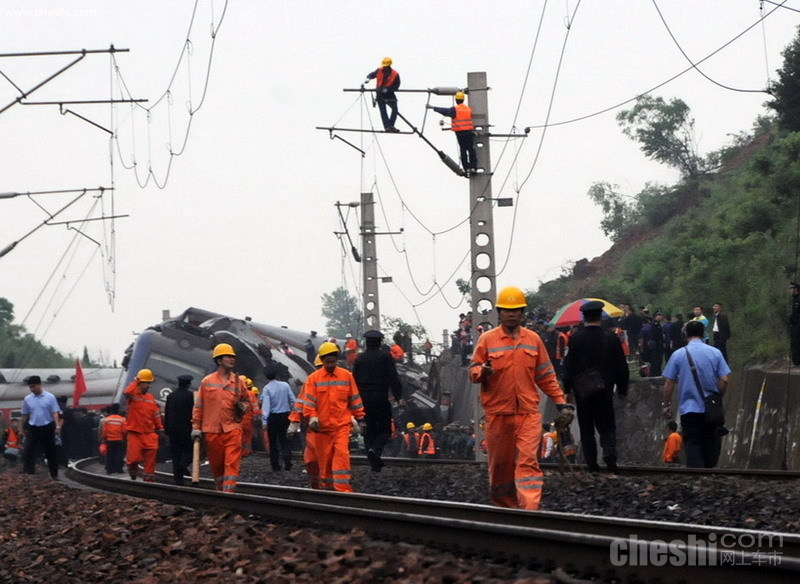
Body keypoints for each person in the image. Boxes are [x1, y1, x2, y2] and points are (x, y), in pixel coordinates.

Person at [469, 286, 574, 510]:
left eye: (516, 309)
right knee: (500, 466)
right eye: (507, 310)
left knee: (528, 462)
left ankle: (529, 510)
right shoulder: (487, 340)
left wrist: (560, 402)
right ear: (499, 312)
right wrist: (481, 371)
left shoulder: (533, 340)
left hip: (527, 413)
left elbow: (546, 375)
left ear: (522, 312)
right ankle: (506, 510)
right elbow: (473, 370)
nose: (511, 314)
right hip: (498, 414)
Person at [562, 301, 629, 473]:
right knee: (607, 425)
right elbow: (622, 365)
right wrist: (622, 389)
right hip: (605, 390)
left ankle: (592, 464)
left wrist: (566, 389)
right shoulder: (611, 338)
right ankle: (609, 452)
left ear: (584, 317)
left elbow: (568, 366)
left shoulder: (575, 339)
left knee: (586, 428)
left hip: (582, 392)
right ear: (601, 316)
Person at [292, 341, 366, 492]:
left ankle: (343, 490)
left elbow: (354, 399)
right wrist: (312, 417)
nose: (330, 365)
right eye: (327, 362)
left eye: (332, 362)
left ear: (337, 359)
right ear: (322, 360)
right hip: (321, 429)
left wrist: (360, 418)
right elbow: (309, 402)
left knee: (341, 456)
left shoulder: (346, 376)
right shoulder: (314, 379)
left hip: (341, 426)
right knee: (324, 462)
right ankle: (326, 489)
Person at [662, 320, 731, 468]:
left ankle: (696, 474)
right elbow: (724, 380)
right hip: (711, 410)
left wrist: (666, 405)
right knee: (710, 440)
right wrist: (717, 397)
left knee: (692, 442)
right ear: (703, 334)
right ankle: (708, 472)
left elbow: (669, 383)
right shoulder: (715, 352)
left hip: (689, 409)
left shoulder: (678, 354)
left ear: (685, 334)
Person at [192, 343, 251, 493]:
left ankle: (228, 493)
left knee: (232, 463)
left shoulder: (239, 382)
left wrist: (244, 406)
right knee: (217, 465)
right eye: (228, 356)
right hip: (212, 430)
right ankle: (220, 491)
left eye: (233, 357)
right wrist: (196, 428)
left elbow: (247, 401)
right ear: (219, 360)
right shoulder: (207, 381)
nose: (232, 359)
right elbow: (199, 406)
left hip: (232, 428)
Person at [352, 329, 403, 472]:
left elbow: (353, 380)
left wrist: (353, 401)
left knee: (369, 429)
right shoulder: (385, 357)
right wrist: (398, 396)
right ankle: (376, 450)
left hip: (363, 400)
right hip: (380, 398)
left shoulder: (359, 359)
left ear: (366, 342)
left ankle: (372, 459)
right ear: (380, 342)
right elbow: (393, 378)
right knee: (385, 428)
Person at [123, 369, 163, 482]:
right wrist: (136, 380)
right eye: (147, 383)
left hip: (149, 433)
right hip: (135, 433)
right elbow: (126, 392)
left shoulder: (150, 398)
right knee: (133, 459)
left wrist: (160, 428)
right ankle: (133, 470)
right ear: (140, 383)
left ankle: (148, 481)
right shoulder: (132, 395)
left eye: (149, 383)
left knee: (151, 459)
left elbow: (156, 414)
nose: (148, 386)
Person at [19, 375, 62, 479]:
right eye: (30, 387)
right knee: (29, 450)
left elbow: (55, 413)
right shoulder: (28, 399)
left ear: (40, 385)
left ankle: (54, 474)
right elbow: (25, 414)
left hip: (47, 427)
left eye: (34, 386)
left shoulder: (50, 397)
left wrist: (57, 426)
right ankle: (29, 473)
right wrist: (21, 428)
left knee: (50, 451)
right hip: (33, 427)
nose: (32, 389)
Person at [427, 91, 477, 174]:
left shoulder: (455, 109)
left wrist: (433, 108)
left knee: (463, 150)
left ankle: (467, 168)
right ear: (463, 99)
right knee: (471, 149)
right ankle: (473, 168)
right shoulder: (468, 109)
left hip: (460, 133)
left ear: (456, 100)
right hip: (469, 132)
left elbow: (445, 111)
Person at [262, 368, 297, 471]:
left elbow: (266, 406)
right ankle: (287, 461)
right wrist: (294, 413)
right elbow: (293, 400)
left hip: (272, 417)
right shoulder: (285, 385)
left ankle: (275, 465)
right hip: (285, 416)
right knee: (285, 440)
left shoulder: (266, 388)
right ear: (276, 374)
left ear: (266, 377)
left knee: (273, 442)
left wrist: (264, 421)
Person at [163, 374, 194, 485]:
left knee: (175, 455)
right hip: (186, 429)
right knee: (188, 451)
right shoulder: (191, 396)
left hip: (172, 430)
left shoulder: (171, 396)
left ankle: (178, 480)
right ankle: (183, 465)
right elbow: (193, 413)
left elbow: (167, 413)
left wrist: (166, 429)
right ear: (188, 384)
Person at [365, 57, 400, 132]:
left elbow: (396, 86)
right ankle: (387, 127)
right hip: (380, 94)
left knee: (395, 109)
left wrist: (388, 90)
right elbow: (372, 74)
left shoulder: (395, 74)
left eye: (386, 66)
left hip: (389, 93)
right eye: (384, 66)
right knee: (383, 111)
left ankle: (391, 125)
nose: (384, 68)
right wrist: (368, 78)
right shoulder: (379, 70)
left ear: (389, 66)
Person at [100, 403, 127, 475]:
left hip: (109, 440)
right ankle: (119, 469)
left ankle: (109, 469)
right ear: (118, 410)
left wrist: (104, 439)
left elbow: (104, 432)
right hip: (119, 439)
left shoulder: (107, 420)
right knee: (119, 455)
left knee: (109, 455)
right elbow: (124, 431)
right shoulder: (122, 419)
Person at [791, 282, 800, 366]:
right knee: (794, 342)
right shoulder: (793, 299)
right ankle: (795, 361)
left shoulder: (798, 300)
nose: (790, 290)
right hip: (794, 325)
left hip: (798, 325)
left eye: (791, 288)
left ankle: (797, 361)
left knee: (797, 342)